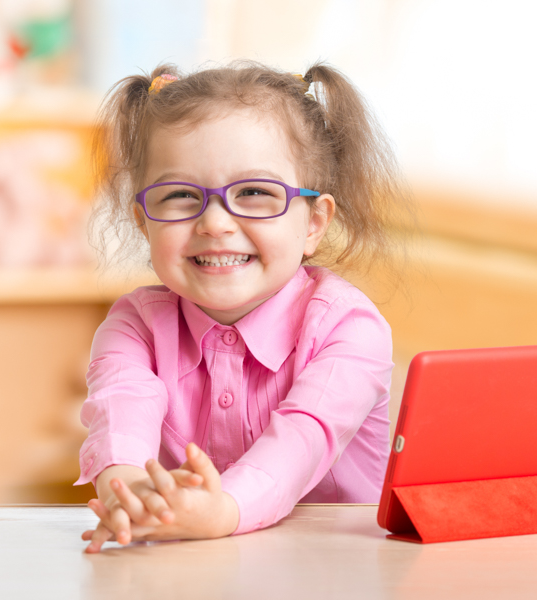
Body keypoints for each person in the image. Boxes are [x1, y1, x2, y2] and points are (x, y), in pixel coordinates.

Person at [77, 61, 405, 553]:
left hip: (336, 570)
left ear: (314, 222)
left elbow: (302, 439)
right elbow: (120, 410)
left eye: (254, 192)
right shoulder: (134, 326)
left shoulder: (349, 328)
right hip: (188, 569)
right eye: (181, 195)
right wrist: (132, 495)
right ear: (144, 222)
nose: (215, 222)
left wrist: (223, 510)